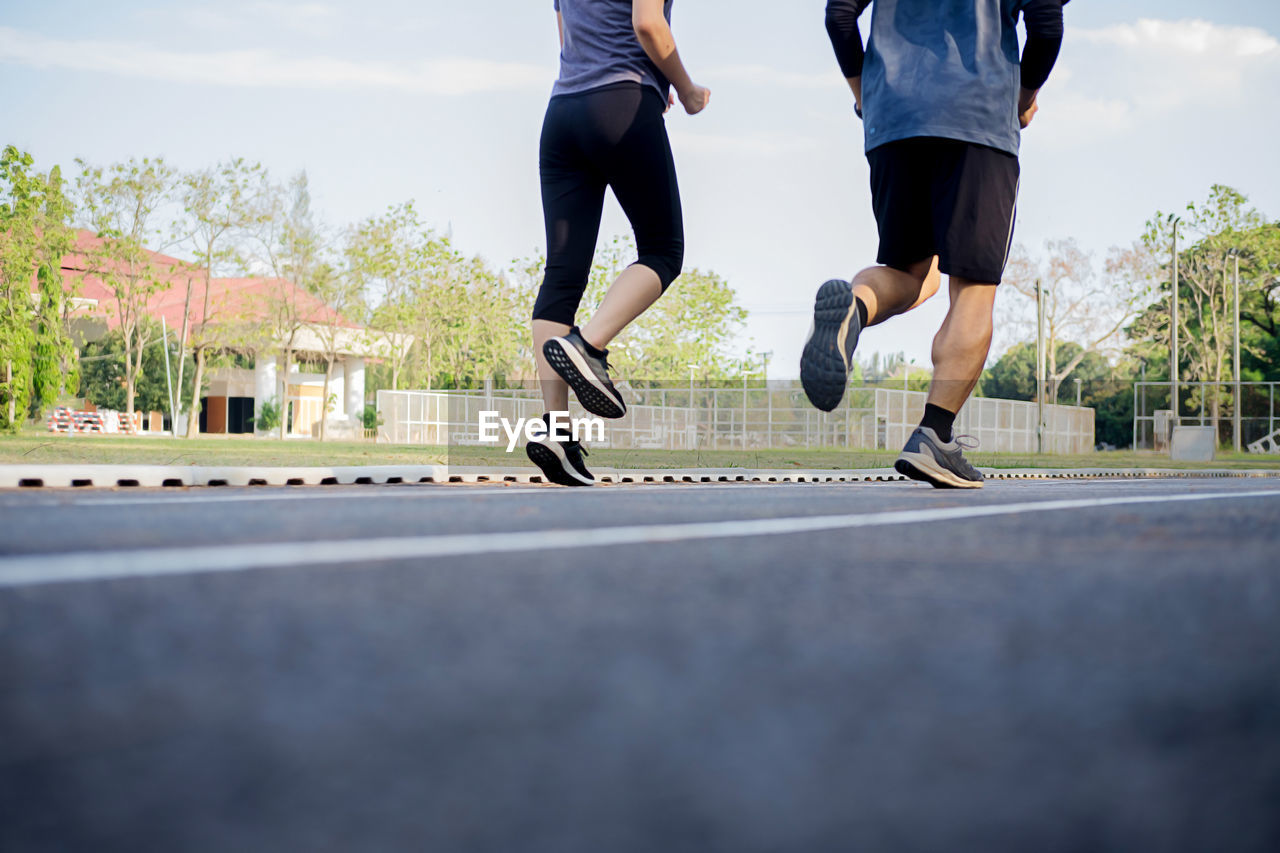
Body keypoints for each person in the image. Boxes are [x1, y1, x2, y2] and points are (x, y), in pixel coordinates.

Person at [802, 0, 1067, 488]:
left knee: (910, 273)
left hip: (893, 122)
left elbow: (839, 14)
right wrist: (1022, 97)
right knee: (973, 288)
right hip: (978, 117)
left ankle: (853, 310)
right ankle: (935, 435)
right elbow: (1046, 24)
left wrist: (865, 95)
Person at [525, 0, 710, 486]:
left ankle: (556, 432)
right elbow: (648, 23)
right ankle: (588, 344)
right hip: (622, 102)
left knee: (561, 275)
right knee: (663, 249)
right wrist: (687, 90)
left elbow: (567, 40)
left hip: (562, 112)